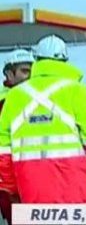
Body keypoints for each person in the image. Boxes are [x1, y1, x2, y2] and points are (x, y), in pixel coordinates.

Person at [0, 35, 86, 204]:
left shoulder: (13, 97)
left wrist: (11, 188)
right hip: (76, 189)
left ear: (36, 60)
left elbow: (3, 153)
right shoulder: (77, 91)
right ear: (65, 60)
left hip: (32, 190)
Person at [0, 49, 34, 224]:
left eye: (31, 71)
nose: (29, 76)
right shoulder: (3, 103)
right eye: (24, 71)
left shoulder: (38, 99)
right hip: (12, 185)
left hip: (36, 179)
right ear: (9, 74)